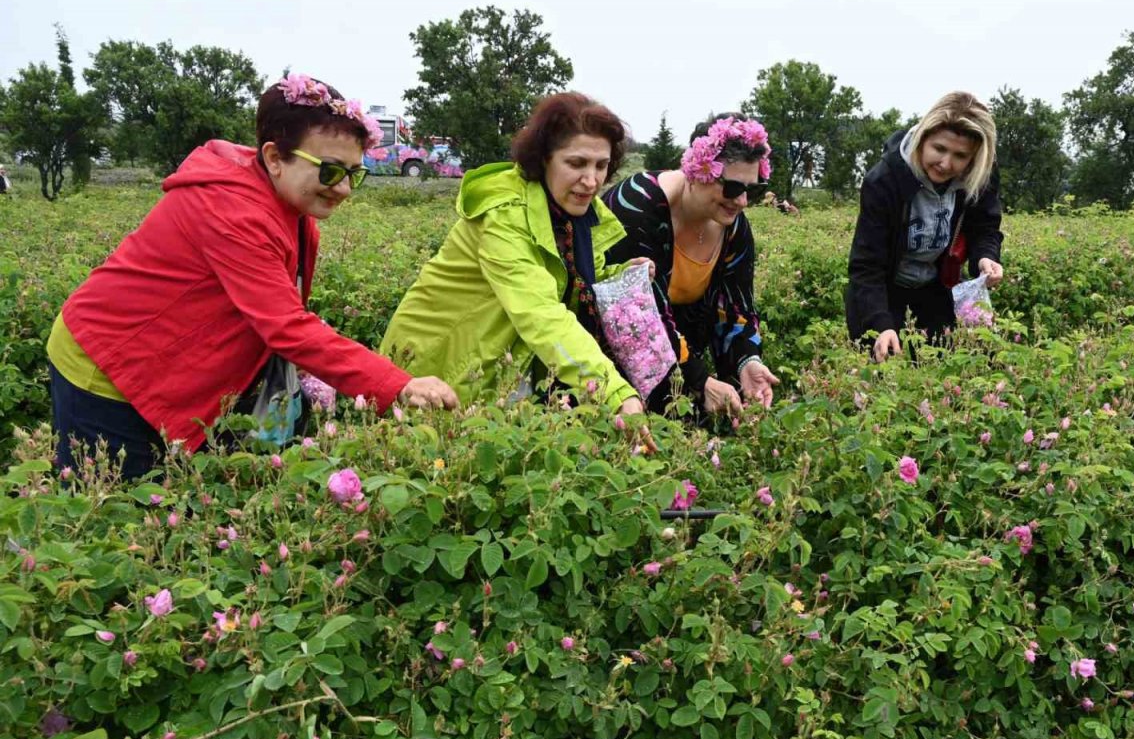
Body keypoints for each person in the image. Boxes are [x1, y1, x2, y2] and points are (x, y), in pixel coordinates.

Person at [48, 73, 458, 479]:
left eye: (355, 173)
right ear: (275, 158)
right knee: (116, 513)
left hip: (165, 358)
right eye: (331, 171)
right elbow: (287, 327)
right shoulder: (232, 211)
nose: (345, 189)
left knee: (166, 499)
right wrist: (396, 385)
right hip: (108, 366)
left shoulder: (288, 206)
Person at [379, 92, 651, 418]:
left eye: (601, 165)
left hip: (500, 357)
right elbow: (539, 311)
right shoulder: (505, 212)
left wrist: (617, 277)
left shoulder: (574, 216)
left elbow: (569, 280)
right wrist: (616, 393)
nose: (591, 180)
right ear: (544, 158)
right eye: (576, 163)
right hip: (442, 361)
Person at [603, 114, 780, 417]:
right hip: (616, 354)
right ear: (699, 170)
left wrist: (747, 361)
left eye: (753, 189)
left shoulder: (733, 227)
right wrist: (699, 381)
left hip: (679, 351)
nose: (742, 202)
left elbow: (736, 308)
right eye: (733, 187)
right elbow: (636, 320)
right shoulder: (636, 206)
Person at [844, 92, 1005, 362]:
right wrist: (881, 324)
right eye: (939, 149)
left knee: (951, 369)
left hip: (936, 287)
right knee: (881, 376)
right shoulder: (885, 179)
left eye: (960, 155)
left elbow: (984, 227)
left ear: (974, 158)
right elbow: (866, 265)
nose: (946, 163)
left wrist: (986, 256)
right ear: (923, 138)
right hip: (883, 292)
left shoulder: (979, 178)